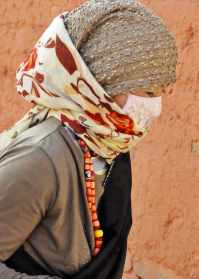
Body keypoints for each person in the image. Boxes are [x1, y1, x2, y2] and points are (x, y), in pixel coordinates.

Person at [0, 0, 178, 278]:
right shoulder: (40, 160)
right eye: (146, 91)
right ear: (101, 83)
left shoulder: (108, 146)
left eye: (162, 91)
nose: (156, 106)